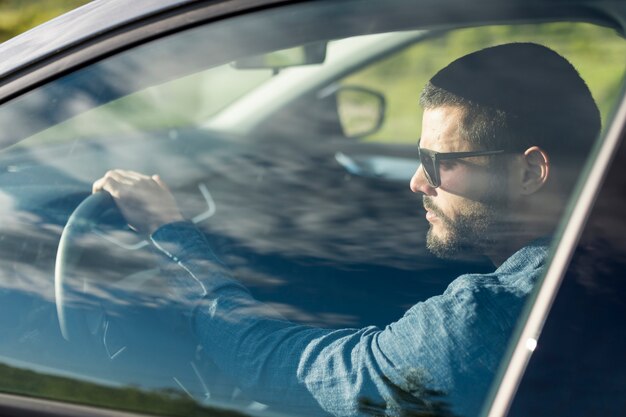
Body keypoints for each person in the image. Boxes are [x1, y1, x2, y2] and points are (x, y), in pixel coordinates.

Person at [92, 43, 600, 417]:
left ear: (530, 172)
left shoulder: (490, 320)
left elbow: (278, 366)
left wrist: (170, 231)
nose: (416, 181)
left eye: (437, 162)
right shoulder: (598, 265)